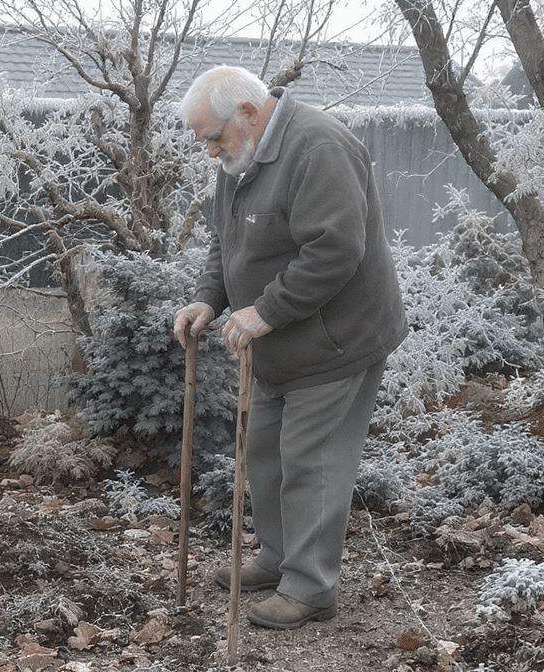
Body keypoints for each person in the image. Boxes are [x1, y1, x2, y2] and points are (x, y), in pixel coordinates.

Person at [172, 65, 407, 630]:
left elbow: (335, 249)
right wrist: (209, 298)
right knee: (265, 452)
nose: (210, 151)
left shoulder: (319, 148)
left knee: (311, 460)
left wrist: (266, 311)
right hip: (278, 343)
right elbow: (228, 240)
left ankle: (311, 587)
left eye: (214, 137)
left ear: (249, 113)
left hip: (335, 341)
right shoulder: (242, 157)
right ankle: (279, 560)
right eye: (205, 141)